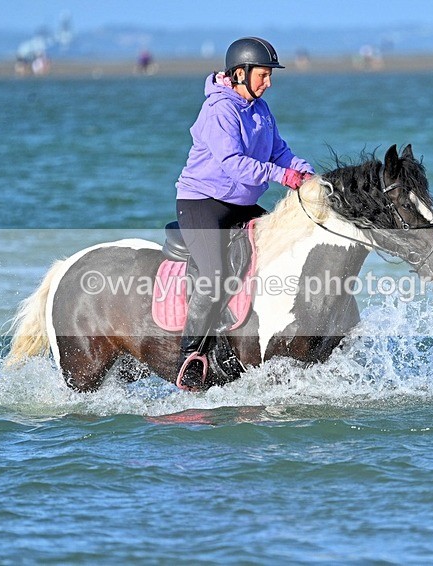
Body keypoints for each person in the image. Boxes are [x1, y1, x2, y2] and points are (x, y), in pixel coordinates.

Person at [174, 36, 314, 389]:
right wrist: (283, 176)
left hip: (240, 203)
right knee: (215, 273)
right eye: (263, 75)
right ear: (240, 73)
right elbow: (235, 164)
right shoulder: (219, 110)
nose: (269, 82)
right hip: (202, 203)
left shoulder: (261, 110)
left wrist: (308, 175)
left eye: (270, 76)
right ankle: (190, 356)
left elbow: (280, 152)